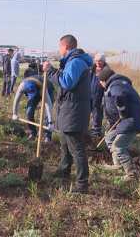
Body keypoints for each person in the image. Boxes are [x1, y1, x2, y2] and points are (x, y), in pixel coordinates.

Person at [43, 34, 93, 194]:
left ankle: (82, 184)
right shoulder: (72, 62)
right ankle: (64, 171)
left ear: (66, 47)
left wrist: (51, 71)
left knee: (76, 148)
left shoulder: (76, 62)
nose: (59, 50)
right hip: (69, 111)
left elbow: (67, 82)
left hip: (74, 112)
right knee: (64, 144)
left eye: (60, 47)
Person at [98, 66, 140, 181]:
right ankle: (118, 164)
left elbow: (120, 97)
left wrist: (122, 111)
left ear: (104, 80)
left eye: (100, 81)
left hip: (132, 121)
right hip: (125, 121)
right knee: (109, 137)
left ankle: (132, 174)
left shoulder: (116, 85)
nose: (100, 84)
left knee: (119, 146)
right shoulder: (117, 83)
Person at [12, 73, 55, 142]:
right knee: (29, 112)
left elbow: (48, 105)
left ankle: (48, 136)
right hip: (34, 88)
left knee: (47, 114)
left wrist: (50, 122)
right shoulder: (22, 86)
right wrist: (14, 113)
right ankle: (33, 133)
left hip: (47, 87)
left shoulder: (42, 87)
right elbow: (16, 100)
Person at [89, 53, 108, 137]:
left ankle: (96, 133)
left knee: (97, 114)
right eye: (96, 61)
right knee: (85, 113)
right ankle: (84, 130)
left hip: (100, 96)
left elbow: (109, 85)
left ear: (104, 61)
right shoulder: (91, 69)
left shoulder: (107, 71)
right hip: (88, 95)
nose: (98, 62)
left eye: (100, 61)